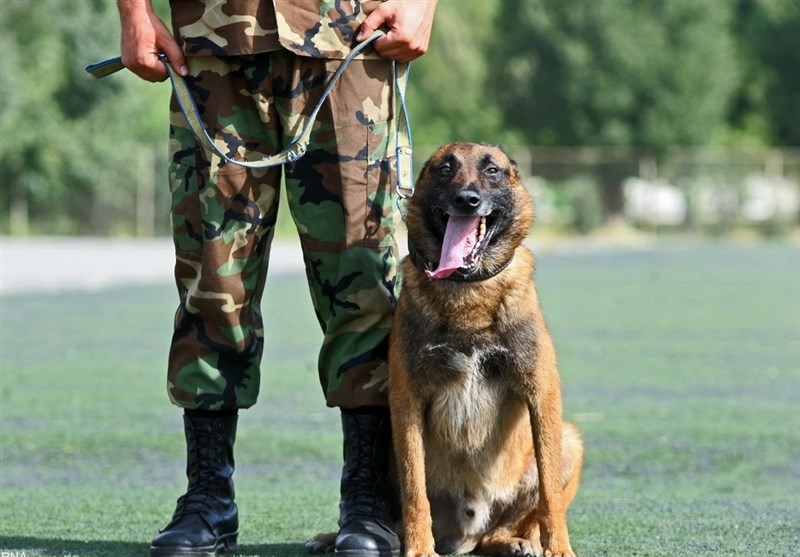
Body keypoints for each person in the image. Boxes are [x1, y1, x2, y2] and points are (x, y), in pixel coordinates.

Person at [115, 1, 437, 556]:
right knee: (212, 279)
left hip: (350, 38)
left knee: (364, 283)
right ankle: (208, 498)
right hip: (215, 44)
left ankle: (368, 500)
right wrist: (133, 14)